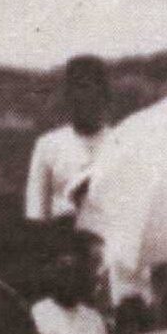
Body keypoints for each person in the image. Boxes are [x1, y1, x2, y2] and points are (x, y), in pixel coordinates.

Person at [24, 55, 111, 222]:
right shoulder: (47, 145)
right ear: (68, 97)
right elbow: (36, 213)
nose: (83, 99)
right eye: (76, 91)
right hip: (59, 234)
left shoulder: (121, 144)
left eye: (89, 90)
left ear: (104, 96)